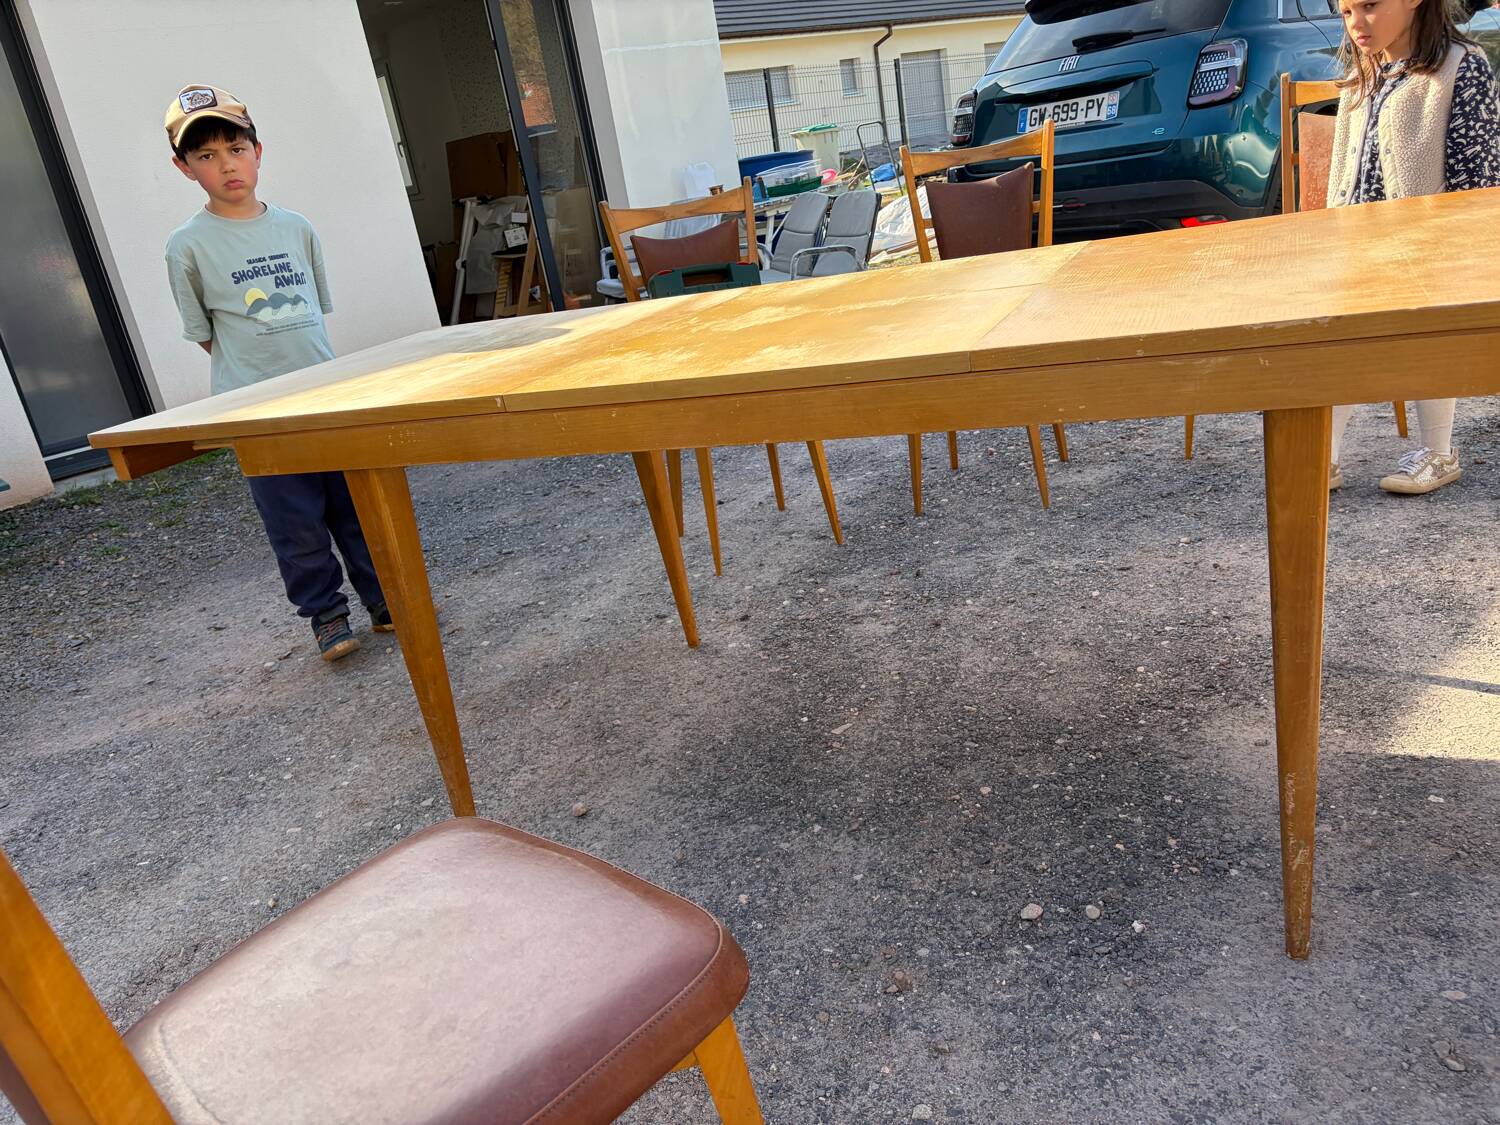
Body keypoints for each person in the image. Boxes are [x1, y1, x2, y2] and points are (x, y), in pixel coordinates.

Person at [163, 84, 391, 659]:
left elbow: (315, 309)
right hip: (257, 410)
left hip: (325, 395)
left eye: (235, 149)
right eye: (206, 156)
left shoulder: (297, 228)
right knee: (295, 521)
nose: (226, 165)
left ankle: (386, 597)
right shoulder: (186, 246)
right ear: (184, 168)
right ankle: (326, 615)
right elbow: (205, 333)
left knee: (354, 504)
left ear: (258, 152)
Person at [1326, 0, 1500, 494]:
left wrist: (1455, 249)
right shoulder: (1365, 71)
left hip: (1428, 249)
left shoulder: (1459, 67)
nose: (1356, 23)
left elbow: (1480, 179)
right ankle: (1325, 454)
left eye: (1370, 6)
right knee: (1343, 337)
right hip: (1359, 243)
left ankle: (1440, 451)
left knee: (1428, 335)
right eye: (1345, 12)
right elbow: (1344, 166)